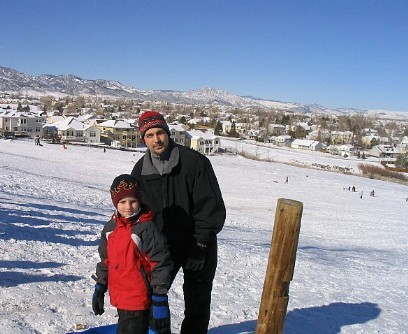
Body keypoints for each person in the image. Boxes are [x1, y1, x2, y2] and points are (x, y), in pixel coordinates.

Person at [131, 111, 226, 334]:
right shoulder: (140, 171)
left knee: (197, 303)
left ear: (168, 133)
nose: (156, 139)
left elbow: (210, 207)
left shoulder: (194, 162)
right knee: (153, 297)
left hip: (198, 244)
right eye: (150, 135)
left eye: (160, 133)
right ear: (143, 139)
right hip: (163, 247)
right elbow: (138, 212)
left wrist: (200, 245)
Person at [92, 174, 173, 334]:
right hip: (120, 296)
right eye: (122, 202)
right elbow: (106, 260)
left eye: (133, 201)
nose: (128, 206)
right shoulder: (110, 229)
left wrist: (160, 296)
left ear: (139, 201)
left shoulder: (146, 228)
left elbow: (160, 262)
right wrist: (100, 286)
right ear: (115, 203)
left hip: (138, 296)